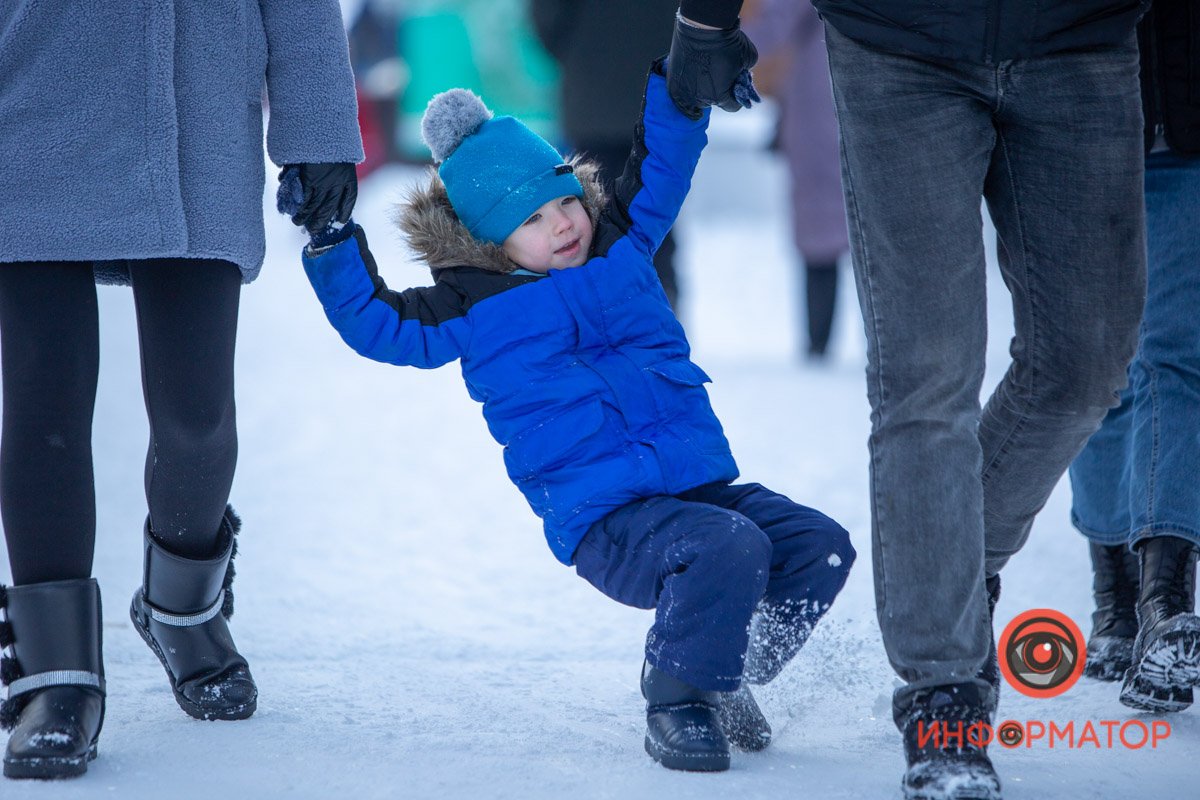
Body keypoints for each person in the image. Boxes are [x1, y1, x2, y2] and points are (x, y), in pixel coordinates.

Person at [282, 31, 854, 773]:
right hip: (611, 521)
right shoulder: (468, 308)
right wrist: (330, 237)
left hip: (701, 488)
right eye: (531, 220)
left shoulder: (621, 244)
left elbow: (662, 167)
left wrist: (681, 90)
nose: (562, 224)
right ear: (488, 240)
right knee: (729, 545)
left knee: (819, 544)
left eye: (562, 201)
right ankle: (678, 694)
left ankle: (724, 666)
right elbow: (376, 323)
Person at [706, 0, 1149, 798]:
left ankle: (950, 566)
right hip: (896, 41)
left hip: (1083, 38)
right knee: (925, 376)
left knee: (1087, 362)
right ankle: (944, 694)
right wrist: (705, 21)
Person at [0, 2, 362, 780]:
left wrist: (320, 130)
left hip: (195, 125)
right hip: (26, 118)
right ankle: (54, 682)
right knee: (43, 406)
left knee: (197, 420)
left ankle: (182, 608)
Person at [1068, 0, 1200, 713]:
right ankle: (1117, 600)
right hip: (1067, 123)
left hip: (1185, 123)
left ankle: (1162, 605)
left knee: (1172, 358)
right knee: (1090, 367)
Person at [530, 0, 684, 308]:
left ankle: (606, 306)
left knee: (594, 210)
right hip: (659, 91)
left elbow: (546, 18)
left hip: (592, 93)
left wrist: (577, 53)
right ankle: (661, 293)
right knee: (655, 202)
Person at [742, 0, 849, 360]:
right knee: (878, 233)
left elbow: (772, 25)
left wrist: (718, 40)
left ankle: (819, 341)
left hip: (820, 99)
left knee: (820, 225)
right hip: (871, 89)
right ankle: (890, 344)